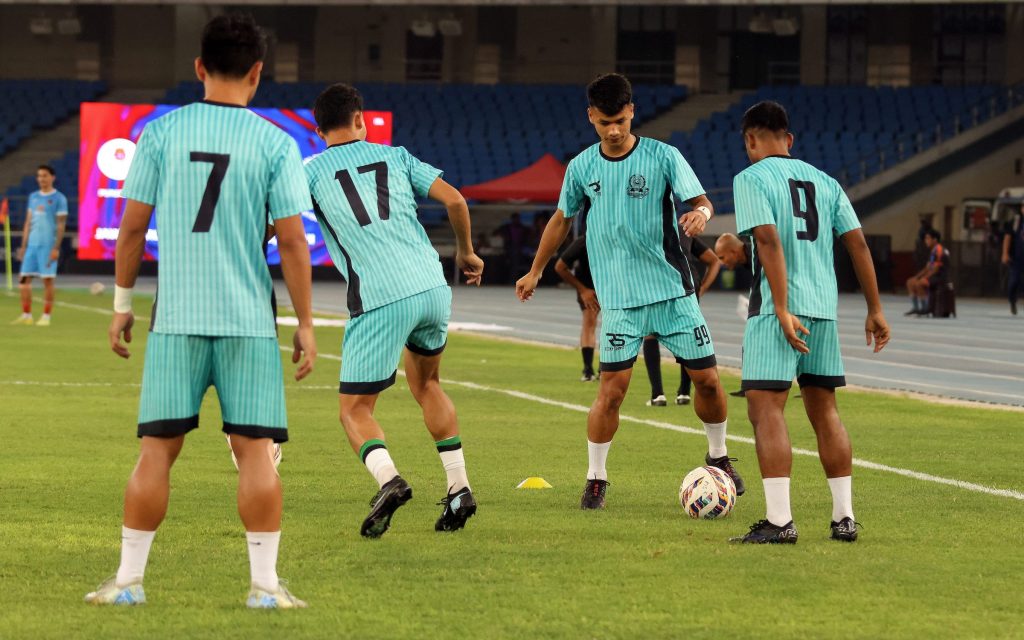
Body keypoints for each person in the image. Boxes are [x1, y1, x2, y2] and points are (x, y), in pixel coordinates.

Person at [88, 13, 316, 608]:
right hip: (247, 322)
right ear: (258, 72)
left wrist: (120, 306)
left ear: (198, 67)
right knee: (255, 451)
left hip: (177, 319)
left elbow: (132, 229)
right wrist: (307, 325)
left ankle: (129, 582)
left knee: (156, 451)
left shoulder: (160, 134)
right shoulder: (275, 141)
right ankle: (264, 588)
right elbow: (292, 241)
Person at [516, 73, 744, 509]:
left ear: (632, 111)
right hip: (619, 302)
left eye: (620, 120)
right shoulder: (582, 167)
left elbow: (701, 201)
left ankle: (719, 458)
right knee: (612, 391)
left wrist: (701, 213)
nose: (614, 130)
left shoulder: (664, 156)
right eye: (605, 123)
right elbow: (562, 220)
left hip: (673, 294)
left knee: (709, 383)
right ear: (591, 118)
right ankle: (596, 478)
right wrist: (535, 269)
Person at [305, 83, 484, 538]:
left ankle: (390, 481)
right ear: (361, 119)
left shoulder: (309, 172)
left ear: (318, 128)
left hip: (379, 297)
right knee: (427, 384)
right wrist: (465, 252)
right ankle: (459, 487)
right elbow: (456, 200)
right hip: (430, 286)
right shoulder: (398, 156)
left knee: (354, 410)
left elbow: (277, 227)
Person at [728, 100, 890, 545]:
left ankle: (779, 522)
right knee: (825, 411)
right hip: (824, 309)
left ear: (750, 140)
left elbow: (768, 240)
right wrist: (874, 309)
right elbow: (857, 244)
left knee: (766, 408)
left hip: (776, 312)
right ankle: (844, 518)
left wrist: (780, 307)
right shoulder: (826, 182)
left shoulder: (750, 178)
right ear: (790, 139)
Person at [642, 234, 720, 406]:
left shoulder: (645, 227)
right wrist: (702, 288)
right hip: (687, 287)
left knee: (650, 334)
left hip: (658, 285)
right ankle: (684, 393)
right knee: (686, 335)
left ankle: (658, 394)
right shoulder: (682, 229)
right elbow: (714, 260)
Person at [11, 165, 68, 326]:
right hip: (32, 246)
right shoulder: (33, 197)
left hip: (48, 245)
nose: (41, 179)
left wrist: (56, 248)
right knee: (23, 281)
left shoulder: (59, 198)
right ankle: (26, 314)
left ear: (52, 177)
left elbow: (61, 225)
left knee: (47, 281)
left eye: (44, 176)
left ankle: (46, 316)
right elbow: (28, 222)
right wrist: (23, 246)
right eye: (39, 176)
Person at [554, 233, 599, 381]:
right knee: (589, 322)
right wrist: (582, 290)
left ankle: (606, 369)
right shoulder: (584, 241)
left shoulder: (619, 238)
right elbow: (560, 267)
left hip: (612, 286)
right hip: (588, 286)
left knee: (614, 326)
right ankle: (588, 370)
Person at [905, 229, 947, 316]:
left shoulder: (939, 250)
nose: (926, 241)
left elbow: (936, 268)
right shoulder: (933, 251)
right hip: (932, 275)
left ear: (934, 240)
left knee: (920, 283)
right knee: (910, 282)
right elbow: (927, 267)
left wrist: (925, 278)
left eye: (928, 238)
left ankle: (925, 308)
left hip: (939, 277)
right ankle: (916, 308)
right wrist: (917, 277)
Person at [1002, 203, 1024, 315]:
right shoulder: (1016, 221)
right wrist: (1005, 254)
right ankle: (1012, 301)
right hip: (1016, 258)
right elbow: (1008, 237)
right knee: (1014, 282)